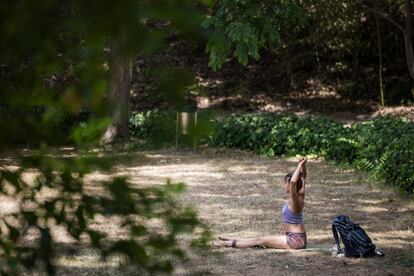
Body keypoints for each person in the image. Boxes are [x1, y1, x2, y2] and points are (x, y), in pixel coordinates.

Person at [212, 157, 308, 249]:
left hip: (295, 241)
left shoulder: (295, 200)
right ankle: (234, 239)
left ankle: (226, 244)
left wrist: (299, 165)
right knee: (260, 238)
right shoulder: (300, 196)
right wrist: (302, 165)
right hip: (298, 238)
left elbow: (293, 183)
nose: (285, 185)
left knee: (260, 240)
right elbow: (303, 176)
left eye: (285, 183)